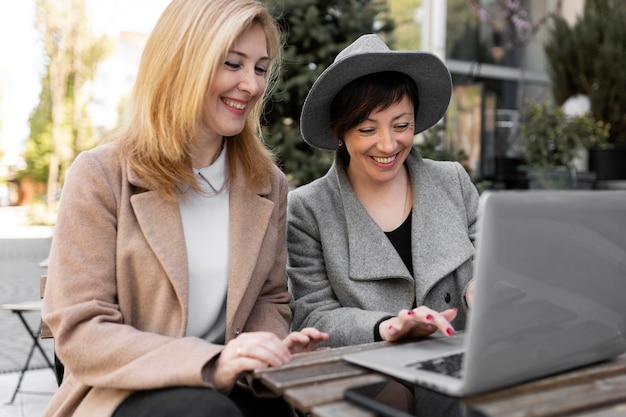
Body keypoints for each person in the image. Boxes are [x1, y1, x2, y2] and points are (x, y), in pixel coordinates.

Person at [41, 1, 328, 416]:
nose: (251, 85)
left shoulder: (268, 185)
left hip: (227, 388)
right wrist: (210, 363)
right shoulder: (101, 175)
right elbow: (81, 332)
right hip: (121, 393)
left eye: (260, 68)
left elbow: (270, 299)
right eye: (232, 64)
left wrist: (267, 348)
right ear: (182, 62)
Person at [287, 34, 479, 348]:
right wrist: (384, 327)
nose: (388, 145)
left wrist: (481, 285)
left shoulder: (453, 181)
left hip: (465, 365)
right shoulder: (308, 210)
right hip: (374, 378)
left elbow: (493, 260)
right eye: (367, 129)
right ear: (340, 131)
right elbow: (312, 314)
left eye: (402, 126)